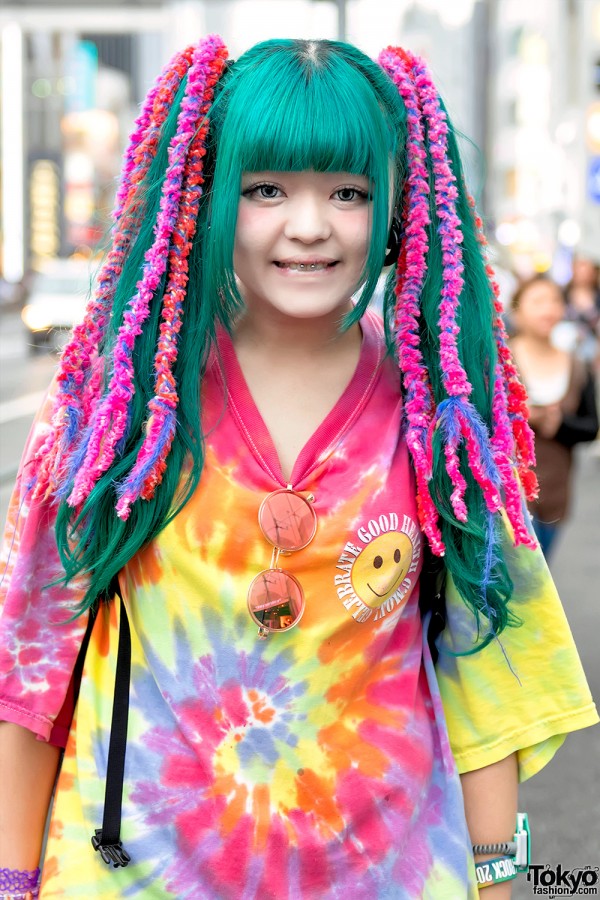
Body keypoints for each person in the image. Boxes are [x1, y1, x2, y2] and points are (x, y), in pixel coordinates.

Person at [0, 37, 597, 900]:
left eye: (348, 192)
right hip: (132, 877)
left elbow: (487, 680)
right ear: (204, 199)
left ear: (397, 209)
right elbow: (30, 672)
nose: (309, 224)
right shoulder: (117, 410)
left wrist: (501, 882)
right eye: (266, 189)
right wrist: (14, 881)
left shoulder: (444, 420)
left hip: (390, 876)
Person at [510, 274, 599, 559]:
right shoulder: (498, 360)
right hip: (503, 501)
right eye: (537, 301)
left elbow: (590, 427)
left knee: (539, 584)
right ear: (517, 310)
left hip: (554, 496)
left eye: (554, 300)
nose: (548, 309)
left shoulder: (576, 364)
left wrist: (558, 424)